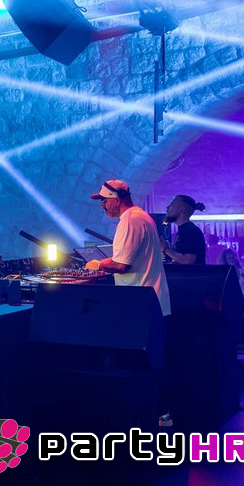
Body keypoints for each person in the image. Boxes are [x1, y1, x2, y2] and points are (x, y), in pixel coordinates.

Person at [84, 180, 172, 425]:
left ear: (116, 199)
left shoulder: (130, 221)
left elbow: (122, 265)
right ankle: (160, 414)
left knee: (143, 361)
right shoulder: (141, 216)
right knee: (155, 360)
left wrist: (97, 264)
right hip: (151, 301)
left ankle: (150, 416)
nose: (102, 206)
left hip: (141, 304)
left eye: (104, 201)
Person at [161, 195, 207, 265]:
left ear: (181, 210)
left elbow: (188, 261)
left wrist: (166, 249)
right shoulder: (184, 230)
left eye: (171, 206)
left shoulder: (191, 231)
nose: (167, 208)